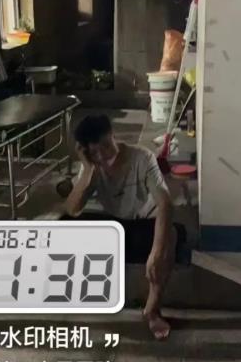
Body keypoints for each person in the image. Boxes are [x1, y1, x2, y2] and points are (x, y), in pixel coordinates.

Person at [65, 115, 179, 340]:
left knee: (170, 235)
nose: (102, 156)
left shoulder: (142, 158)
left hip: (142, 224)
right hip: (113, 227)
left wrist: (156, 252)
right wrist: (87, 170)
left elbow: (165, 203)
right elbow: (72, 209)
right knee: (64, 226)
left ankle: (152, 310)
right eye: (94, 152)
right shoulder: (93, 167)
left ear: (113, 136)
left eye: (106, 146)